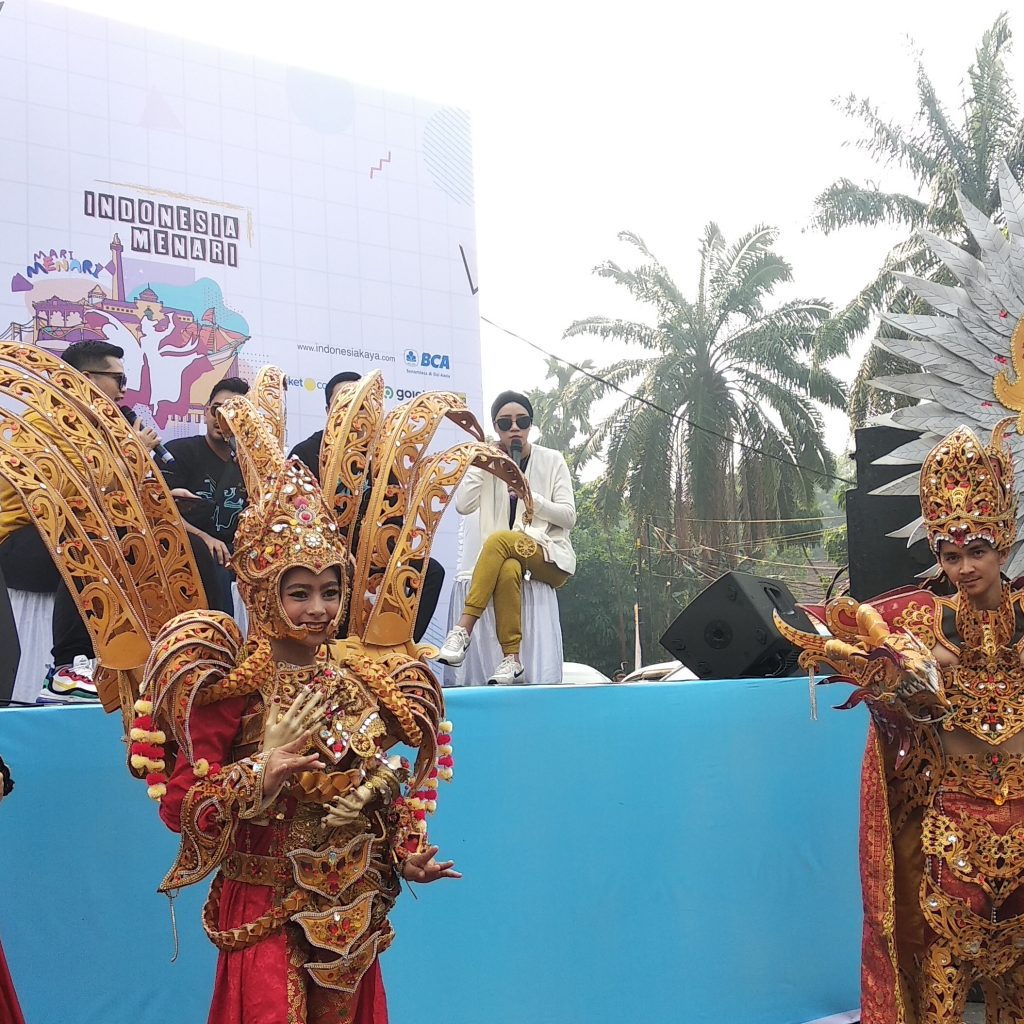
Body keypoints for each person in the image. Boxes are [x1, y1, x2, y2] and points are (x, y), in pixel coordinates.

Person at [138, 386, 463, 1024]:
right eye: (300, 593)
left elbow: (369, 782)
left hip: (345, 910)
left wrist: (402, 848)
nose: (318, 610)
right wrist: (262, 770)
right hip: (263, 902)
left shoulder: (352, 680)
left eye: (329, 591)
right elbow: (183, 812)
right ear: (263, 596)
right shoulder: (228, 694)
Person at [781, 421, 1024, 1023]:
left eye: (978, 550)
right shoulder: (921, 628)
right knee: (940, 981)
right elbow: (874, 655)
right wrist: (900, 684)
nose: (964, 567)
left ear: (1005, 546)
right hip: (950, 838)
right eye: (950, 554)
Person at [0, 339, 160, 702]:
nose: (124, 391)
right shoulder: (41, 424)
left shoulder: (95, 430)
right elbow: (66, 501)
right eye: (117, 380)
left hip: (57, 533)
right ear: (85, 379)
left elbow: (108, 498)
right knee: (89, 540)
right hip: (17, 541)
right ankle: (67, 665)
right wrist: (130, 457)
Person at [289, 370, 444, 644]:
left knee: (429, 570)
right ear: (329, 410)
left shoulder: (383, 457)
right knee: (341, 573)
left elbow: (394, 514)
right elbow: (295, 513)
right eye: (345, 403)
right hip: (320, 552)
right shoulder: (306, 452)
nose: (355, 412)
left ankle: (393, 645)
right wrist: (335, 548)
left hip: (373, 554)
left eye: (362, 404)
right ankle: (333, 646)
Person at [437, 390, 576, 684]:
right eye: (505, 423)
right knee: (508, 566)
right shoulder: (489, 460)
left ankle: (463, 630)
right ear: (496, 428)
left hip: (547, 555)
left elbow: (568, 516)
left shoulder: (552, 460)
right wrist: (481, 461)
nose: (514, 429)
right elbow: (464, 505)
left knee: (499, 541)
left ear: (530, 425)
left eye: (522, 421)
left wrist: (530, 496)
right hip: (509, 559)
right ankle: (512, 659)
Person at [163, 377, 250, 614]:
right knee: (213, 561)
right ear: (206, 412)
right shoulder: (178, 452)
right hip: (191, 551)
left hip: (241, 552)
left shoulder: (253, 466)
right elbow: (159, 512)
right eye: (217, 409)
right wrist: (204, 537)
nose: (222, 419)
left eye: (233, 413)